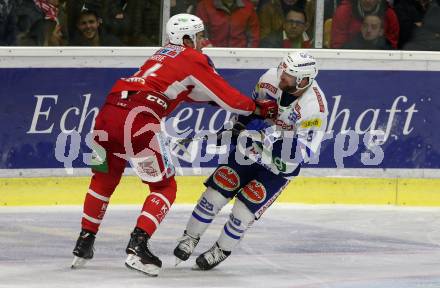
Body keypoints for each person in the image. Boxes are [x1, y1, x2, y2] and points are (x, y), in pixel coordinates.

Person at [71, 13, 278, 277]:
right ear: (187, 38)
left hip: (107, 114)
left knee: (102, 179)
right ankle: (138, 246)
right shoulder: (192, 57)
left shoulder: (161, 54)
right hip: (138, 121)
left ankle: (84, 242)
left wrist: (215, 102)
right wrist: (259, 109)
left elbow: (188, 92)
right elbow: (230, 99)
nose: (205, 41)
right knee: (164, 187)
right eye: (201, 36)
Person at [173, 51, 329, 270]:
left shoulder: (315, 108)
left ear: (303, 81)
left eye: (288, 75)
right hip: (249, 151)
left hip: (278, 166)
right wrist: (238, 126)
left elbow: (303, 152)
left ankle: (221, 249)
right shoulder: (269, 79)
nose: (281, 75)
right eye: (282, 69)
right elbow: (250, 110)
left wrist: (267, 138)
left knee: (243, 210)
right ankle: (190, 237)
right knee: (215, 193)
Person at [331, 0, 400, 48]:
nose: (368, 0)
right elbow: (338, 50)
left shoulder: (389, 15)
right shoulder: (343, 12)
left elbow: (392, 50)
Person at [195, 0, 260, 47]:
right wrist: (207, 46)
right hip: (212, 53)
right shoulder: (205, 5)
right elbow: (199, 33)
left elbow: (254, 37)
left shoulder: (248, 7)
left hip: (240, 55)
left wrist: (248, 54)